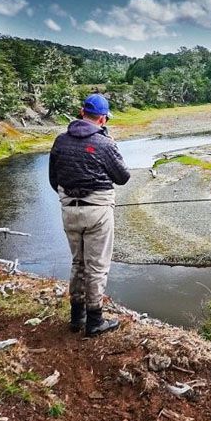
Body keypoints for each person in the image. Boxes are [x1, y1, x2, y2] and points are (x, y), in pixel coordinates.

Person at [48, 94, 130, 337]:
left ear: (81, 112)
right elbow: (123, 177)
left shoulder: (60, 141)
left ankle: (76, 317)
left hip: (68, 211)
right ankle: (95, 321)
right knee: (96, 266)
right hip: (98, 212)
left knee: (78, 262)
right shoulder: (104, 143)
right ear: (103, 118)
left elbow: (54, 179)